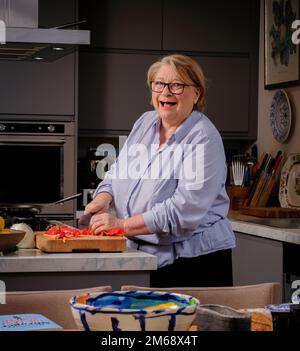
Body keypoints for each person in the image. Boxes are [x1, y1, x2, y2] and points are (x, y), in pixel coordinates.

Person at [80, 54, 236, 288]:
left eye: (177, 85)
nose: (166, 92)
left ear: (197, 93)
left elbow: (182, 212)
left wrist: (120, 225)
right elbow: (116, 174)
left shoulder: (203, 138)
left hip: (194, 263)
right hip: (145, 257)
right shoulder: (145, 123)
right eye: (159, 83)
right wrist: (103, 198)